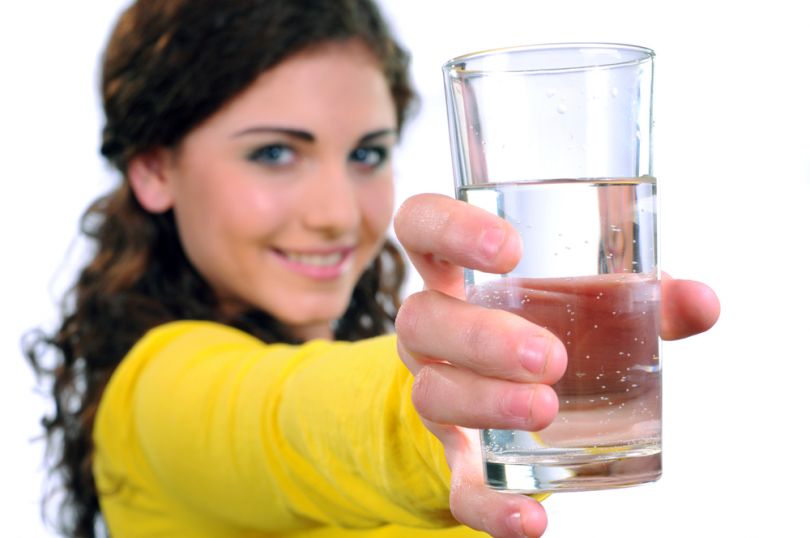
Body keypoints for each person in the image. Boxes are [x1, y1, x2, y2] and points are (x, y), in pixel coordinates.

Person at [25, 1, 720, 537]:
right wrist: (442, 398)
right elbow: (291, 420)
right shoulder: (156, 397)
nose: (337, 213)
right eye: (273, 153)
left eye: (366, 154)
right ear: (153, 169)